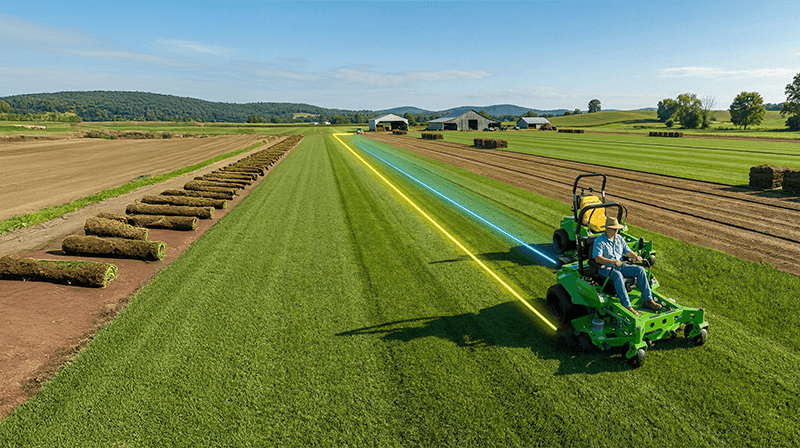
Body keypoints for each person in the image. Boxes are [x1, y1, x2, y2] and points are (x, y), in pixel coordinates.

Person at [592, 217, 662, 316]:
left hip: (620, 266)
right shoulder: (599, 241)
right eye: (614, 229)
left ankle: (647, 300)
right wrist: (613, 261)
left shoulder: (619, 238)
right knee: (618, 275)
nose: (616, 231)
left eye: (617, 229)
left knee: (640, 270)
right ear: (607, 228)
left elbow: (628, 251)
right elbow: (597, 259)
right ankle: (627, 306)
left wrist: (636, 257)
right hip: (605, 269)